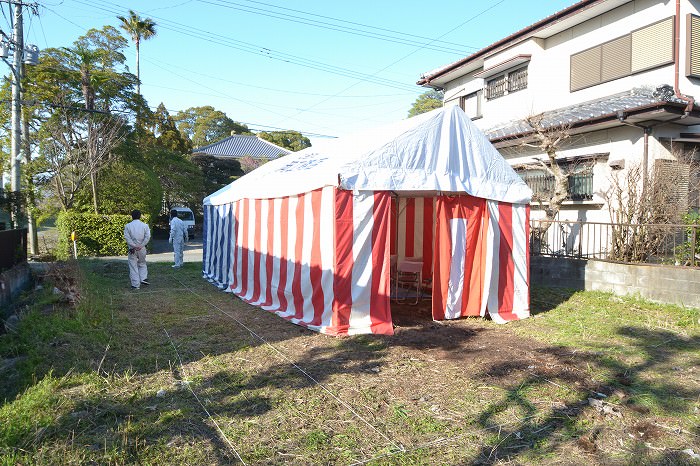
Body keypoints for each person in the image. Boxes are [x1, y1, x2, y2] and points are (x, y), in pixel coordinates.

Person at [124, 209, 151, 289]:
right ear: (140, 216)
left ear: (132, 216)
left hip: (132, 249)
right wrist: (141, 245)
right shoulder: (145, 225)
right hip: (142, 248)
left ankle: (135, 285)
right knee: (142, 263)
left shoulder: (128, 226)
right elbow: (147, 237)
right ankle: (143, 278)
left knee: (133, 265)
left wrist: (134, 245)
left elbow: (127, 238)